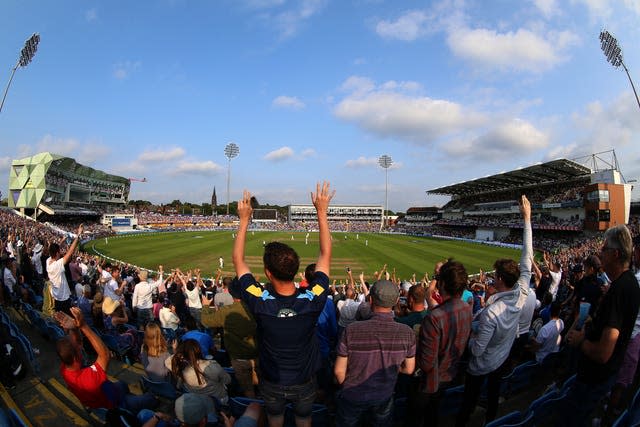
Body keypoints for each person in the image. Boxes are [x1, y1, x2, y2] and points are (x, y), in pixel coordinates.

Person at [232, 182, 334, 427]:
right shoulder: (313, 297)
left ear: (268, 273)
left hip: (272, 383)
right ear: (296, 269)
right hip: (305, 382)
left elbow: (238, 260)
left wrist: (244, 220)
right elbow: (325, 255)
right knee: (304, 420)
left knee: (275, 420)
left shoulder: (260, 301)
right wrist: (321, 212)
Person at [456, 195, 532, 427]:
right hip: (502, 358)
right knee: (493, 396)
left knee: (469, 401)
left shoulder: (492, 312)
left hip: (481, 366)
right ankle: (491, 421)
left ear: (499, 279)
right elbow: (527, 258)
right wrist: (527, 218)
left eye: (494, 274)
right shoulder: (521, 292)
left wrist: (469, 333)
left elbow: (477, 351)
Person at [563, 225, 640, 426]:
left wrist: (581, 341)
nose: (600, 254)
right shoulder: (629, 282)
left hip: (594, 378)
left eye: (603, 250)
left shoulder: (619, 290)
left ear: (615, 254)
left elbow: (603, 352)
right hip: (605, 375)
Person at [334, 279, 415, 427]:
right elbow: (409, 369)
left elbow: (339, 371)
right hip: (383, 396)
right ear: (397, 300)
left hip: (353, 395)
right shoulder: (407, 332)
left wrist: (352, 390)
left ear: (370, 299)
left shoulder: (351, 330)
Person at [54, 307, 156, 413]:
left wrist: (74, 329)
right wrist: (83, 325)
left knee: (122, 385)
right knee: (149, 399)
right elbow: (105, 355)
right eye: (77, 347)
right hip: (115, 405)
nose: (80, 344)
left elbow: (76, 343)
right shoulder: (89, 379)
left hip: (102, 396)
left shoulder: (65, 369)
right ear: (75, 357)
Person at [408, 260, 472, 427]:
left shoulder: (435, 317)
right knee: (433, 415)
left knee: (417, 417)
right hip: (451, 373)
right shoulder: (467, 308)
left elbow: (427, 364)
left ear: (442, 283)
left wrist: (417, 341)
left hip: (431, 382)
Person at [201, 278, 259, 398]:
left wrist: (206, 306)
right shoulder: (256, 307)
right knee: (260, 385)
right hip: (257, 355)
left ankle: (254, 407)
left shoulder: (227, 311)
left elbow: (206, 321)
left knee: (248, 389)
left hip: (239, 358)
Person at [166, 339, 231, 404]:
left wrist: (175, 350)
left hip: (195, 398)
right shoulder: (212, 366)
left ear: (182, 353)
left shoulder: (178, 366)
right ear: (198, 351)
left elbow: (169, 361)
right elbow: (227, 381)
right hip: (217, 399)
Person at [47, 224, 83, 314]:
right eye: (59, 251)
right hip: (63, 298)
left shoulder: (48, 261)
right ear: (57, 253)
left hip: (56, 295)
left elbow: (53, 250)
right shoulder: (57, 265)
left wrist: (62, 242)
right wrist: (78, 235)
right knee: (65, 320)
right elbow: (70, 252)